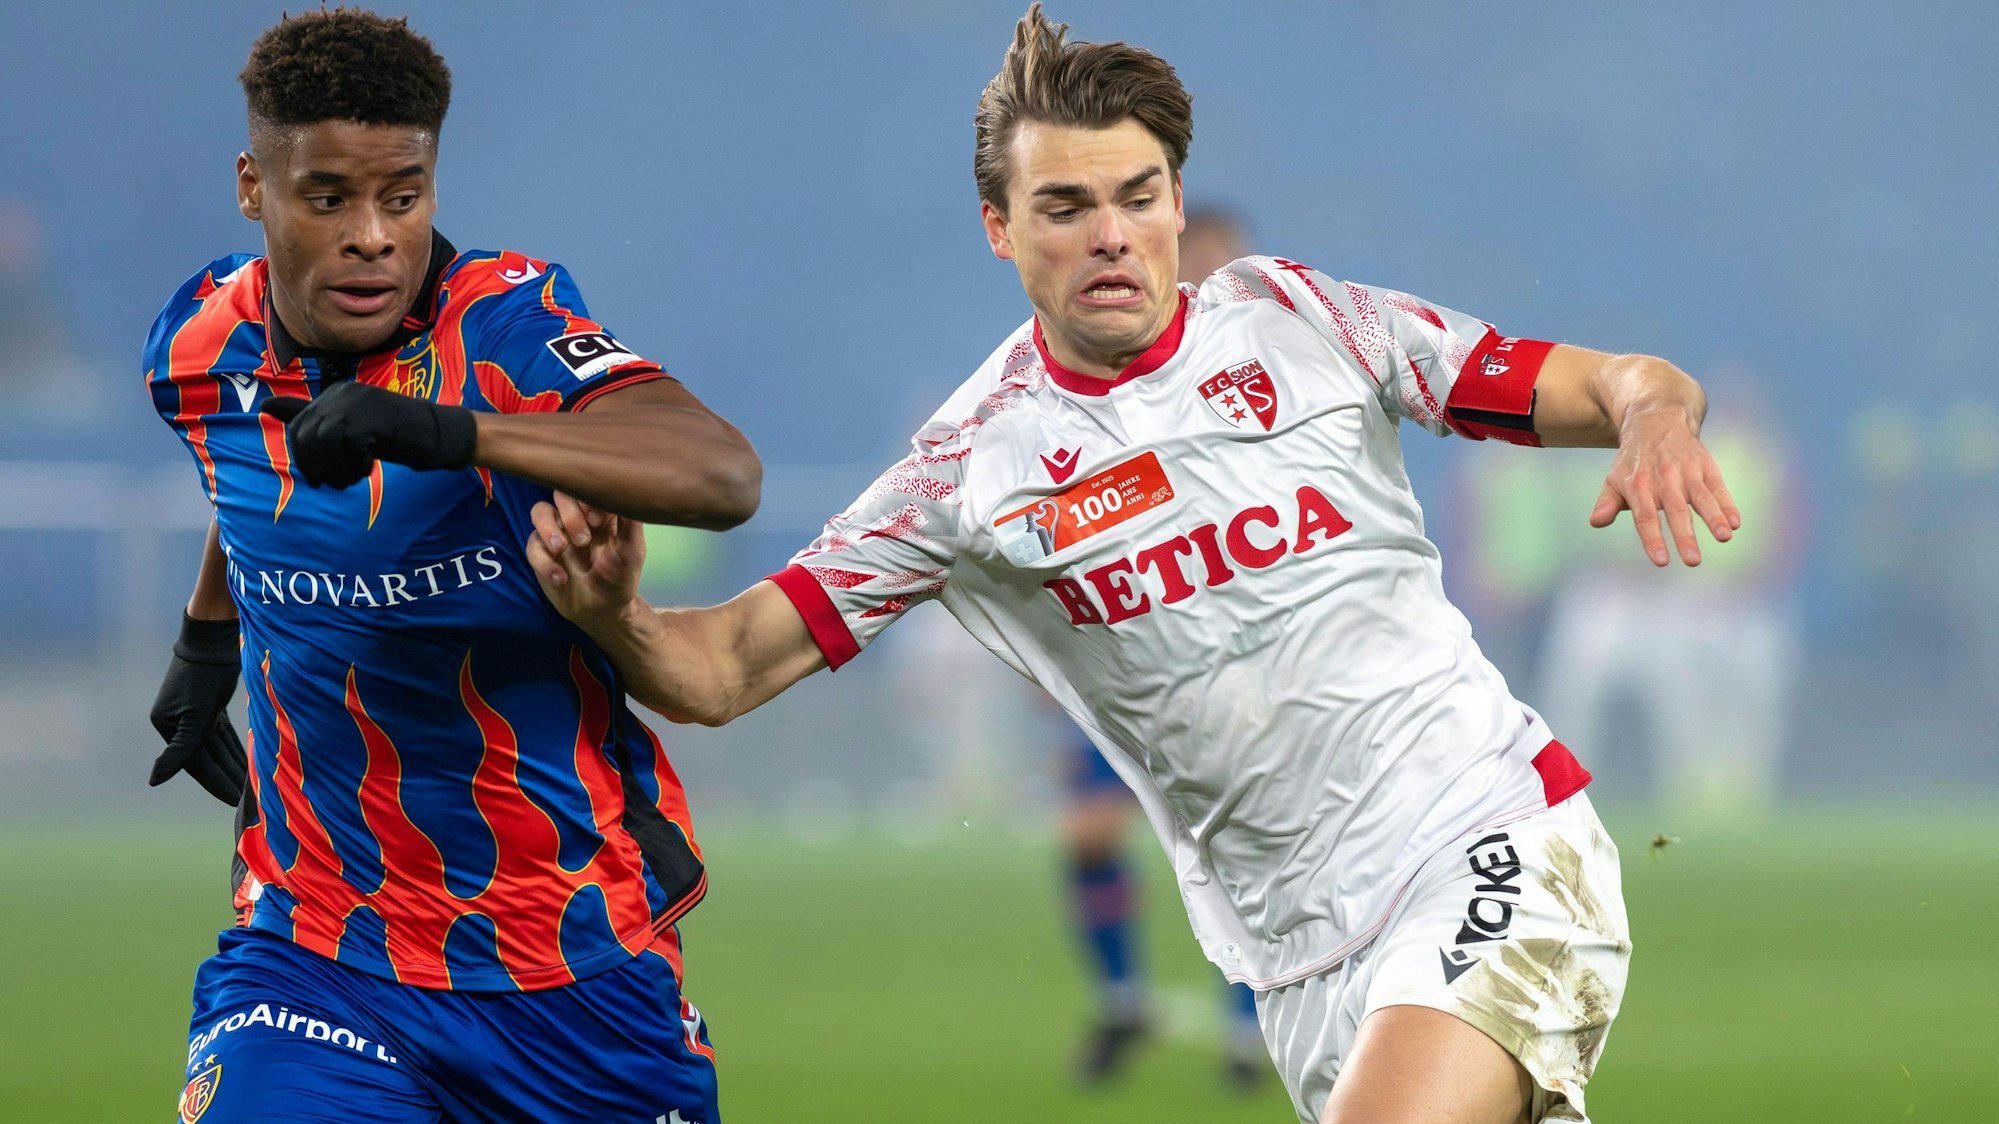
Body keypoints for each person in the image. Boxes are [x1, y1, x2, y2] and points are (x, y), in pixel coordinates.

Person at [528, 7, 1740, 1122]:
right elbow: (729, 665)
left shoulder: (1305, 323)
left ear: (1175, 203)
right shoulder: (968, 470)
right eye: (1063, 206)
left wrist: (1653, 417)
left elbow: (1617, 377)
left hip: (1489, 836)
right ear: (999, 229)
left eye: (1138, 194)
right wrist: (614, 615)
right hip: (1296, 963)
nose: (1110, 234)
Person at [142, 10, 758, 1123]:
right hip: (314, 946)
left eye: (404, 196)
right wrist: (206, 639)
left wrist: (454, 431)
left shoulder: (509, 327)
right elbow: (241, 482)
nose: (372, 234)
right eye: (327, 196)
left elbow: (720, 475)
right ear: (253, 187)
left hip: (570, 961)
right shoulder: (193, 344)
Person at [1060, 205, 1264, 1087]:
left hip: (1238, 659)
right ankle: (1123, 1000)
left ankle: (1248, 1030)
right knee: (1090, 836)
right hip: (1128, 656)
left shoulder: (1268, 375)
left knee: (1247, 845)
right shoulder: (1114, 380)